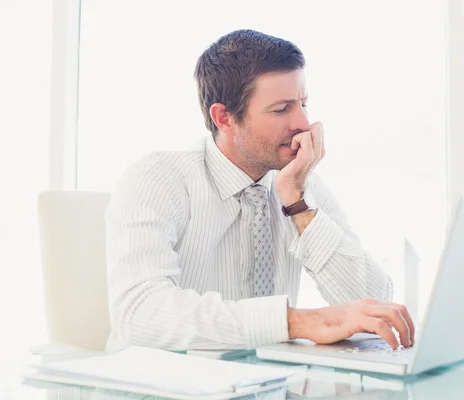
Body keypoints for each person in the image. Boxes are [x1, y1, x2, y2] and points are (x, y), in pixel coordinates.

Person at [105, 29, 414, 352]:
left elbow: (374, 304)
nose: (303, 124)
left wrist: (298, 204)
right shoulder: (158, 179)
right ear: (224, 118)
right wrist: (300, 322)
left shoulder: (297, 183)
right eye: (281, 109)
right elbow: (139, 314)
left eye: (303, 104)